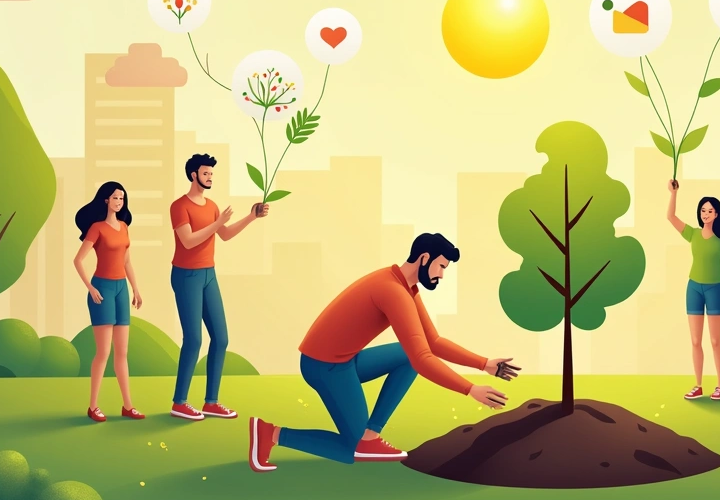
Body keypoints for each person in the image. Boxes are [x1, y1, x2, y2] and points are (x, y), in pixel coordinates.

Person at [248, 233, 520, 471]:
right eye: (440, 266)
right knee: (350, 450)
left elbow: (432, 341)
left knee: (406, 355)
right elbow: (423, 358)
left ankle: (370, 436)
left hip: (346, 361)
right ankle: (271, 433)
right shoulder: (392, 291)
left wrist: (484, 363)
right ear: (424, 258)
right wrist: (469, 389)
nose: (441, 275)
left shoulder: (405, 286)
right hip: (323, 367)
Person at [168, 153, 268, 421]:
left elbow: (223, 234)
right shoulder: (179, 206)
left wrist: (251, 217)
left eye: (212, 174)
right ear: (193, 175)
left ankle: (211, 401)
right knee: (194, 339)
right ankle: (179, 402)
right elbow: (188, 241)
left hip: (209, 274)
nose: (210, 177)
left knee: (221, 338)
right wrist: (216, 223)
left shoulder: (212, 205)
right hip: (186, 276)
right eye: (205, 173)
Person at [72, 182, 144, 422]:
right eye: (115, 197)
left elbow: (127, 262)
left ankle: (128, 406)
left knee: (122, 352)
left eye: (122, 198)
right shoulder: (97, 228)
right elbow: (78, 260)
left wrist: (135, 288)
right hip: (101, 290)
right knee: (103, 352)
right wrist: (90, 287)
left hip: (121, 289)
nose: (119, 201)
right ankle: (93, 406)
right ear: (106, 200)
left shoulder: (124, 227)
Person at [667, 180, 720, 401]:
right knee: (695, 341)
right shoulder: (693, 234)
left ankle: (719, 385)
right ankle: (698, 385)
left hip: (716, 289)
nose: (706, 213)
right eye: (703, 210)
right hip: (694, 288)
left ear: (717, 214)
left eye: (710, 211)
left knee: (715, 341)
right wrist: (673, 193)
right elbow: (671, 217)